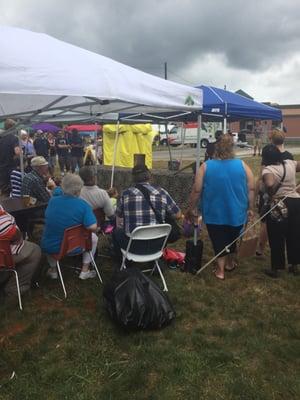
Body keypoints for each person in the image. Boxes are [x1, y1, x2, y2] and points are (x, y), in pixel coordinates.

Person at [186, 134, 255, 280]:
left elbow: (196, 190)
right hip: (237, 210)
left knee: (218, 239)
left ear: (216, 148)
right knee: (232, 237)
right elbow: (252, 188)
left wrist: (191, 207)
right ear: (232, 148)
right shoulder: (242, 165)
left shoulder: (206, 166)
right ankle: (229, 263)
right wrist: (251, 207)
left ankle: (220, 270)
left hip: (214, 212)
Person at [113, 164, 181, 262]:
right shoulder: (162, 192)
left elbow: (118, 214)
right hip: (157, 245)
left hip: (132, 246)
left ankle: (123, 263)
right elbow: (178, 215)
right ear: (149, 175)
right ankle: (155, 264)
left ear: (133, 178)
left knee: (116, 232)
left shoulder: (126, 194)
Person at [41, 174, 99, 280]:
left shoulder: (53, 201)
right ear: (79, 189)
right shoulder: (83, 205)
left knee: (48, 234)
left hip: (51, 247)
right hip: (75, 247)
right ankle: (85, 270)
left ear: (63, 186)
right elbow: (93, 227)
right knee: (94, 238)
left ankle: (53, 270)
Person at [261, 144, 300, 277]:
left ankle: (276, 268)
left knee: (276, 236)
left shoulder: (268, 169)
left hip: (279, 204)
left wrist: (271, 190)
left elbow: (270, 184)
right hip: (295, 202)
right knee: (294, 234)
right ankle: (294, 265)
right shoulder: (290, 163)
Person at [256, 129, 294, 256]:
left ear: (271, 140)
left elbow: (263, 174)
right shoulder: (289, 156)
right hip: (288, 196)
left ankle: (261, 248)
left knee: (266, 222)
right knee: (288, 224)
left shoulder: (268, 152)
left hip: (271, 195)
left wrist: (258, 190)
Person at [0, 205, 41, 301]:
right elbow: (11, 232)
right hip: (5, 255)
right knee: (35, 250)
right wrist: (18, 235)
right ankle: (14, 289)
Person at [0, 119, 21, 196]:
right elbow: (17, 152)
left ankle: (5, 207)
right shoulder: (14, 138)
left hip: (1, 168)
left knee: (4, 191)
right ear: (13, 127)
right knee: (13, 190)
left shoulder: (1, 138)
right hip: (11, 168)